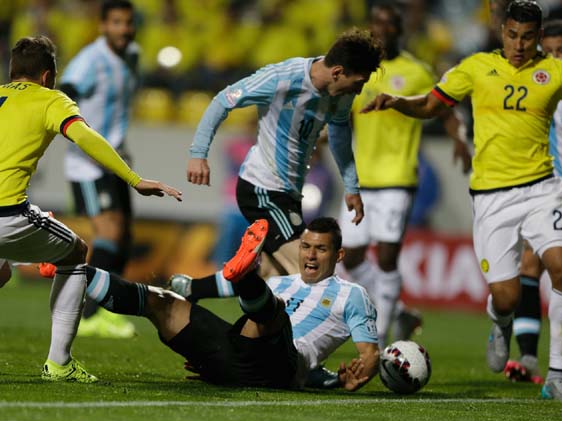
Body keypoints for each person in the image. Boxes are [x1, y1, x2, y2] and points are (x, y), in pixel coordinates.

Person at [362, 0, 562, 401]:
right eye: (511, 35)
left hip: (543, 188)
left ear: (538, 37)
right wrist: (398, 101)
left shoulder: (559, 72)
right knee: (506, 296)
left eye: (527, 37)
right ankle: (502, 322)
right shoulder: (474, 67)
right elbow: (431, 105)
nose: (518, 45)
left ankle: (557, 374)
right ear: (501, 31)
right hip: (492, 196)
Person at [0, 35, 182, 382]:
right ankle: (59, 363)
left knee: (2, 273)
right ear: (47, 76)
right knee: (76, 252)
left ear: (12, 72)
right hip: (7, 215)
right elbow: (86, 137)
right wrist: (133, 179)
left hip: (9, 215)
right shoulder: (52, 99)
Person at [82, 217, 380, 390]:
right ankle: (73, 271)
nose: (311, 255)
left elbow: (369, 354)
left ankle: (245, 274)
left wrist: (358, 376)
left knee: (274, 312)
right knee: (162, 302)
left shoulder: (352, 294)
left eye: (321, 249)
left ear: (338, 255)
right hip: (238, 360)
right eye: (305, 247)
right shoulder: (280, 282)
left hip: (281, 367)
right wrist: (214, 360)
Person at [186, 28, 384, 278]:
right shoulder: (283, 78)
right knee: (310, 270)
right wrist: (198, 154)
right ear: (337, 72)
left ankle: (188, 291)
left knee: (273, 280)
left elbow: (339, 133)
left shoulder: (340, 92)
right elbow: (223, 101)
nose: (357, 91)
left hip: (289, 193)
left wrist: (352, 186)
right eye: (358, 83)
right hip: (262, 188)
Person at [338, 1, 471, 348]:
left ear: (400, 29)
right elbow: (343, 114)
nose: (384, 30)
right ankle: (399, 312)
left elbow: (444, 108)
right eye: (378, 24)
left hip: (397, 177)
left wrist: (459, 139)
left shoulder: (417, 71)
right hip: (360, 178)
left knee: (385, 256)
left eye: (391, 25)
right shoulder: (359, 70)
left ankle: (378, 339)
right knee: (349, 258)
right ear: (371, 27)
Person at [504, 19, 562, 385]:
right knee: (529, 265)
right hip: (552, 195)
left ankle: (554, 361)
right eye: (551, 52)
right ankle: (528, 357)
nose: (556, 58)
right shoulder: (538, 84)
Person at [40, 0, 141, 338]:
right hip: (87, 164)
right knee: (109, 233)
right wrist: (79, 138)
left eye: (127, 23)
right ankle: (88, 314)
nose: (123, 29)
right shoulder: (89, 61)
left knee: (124, 237)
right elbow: (64, 96)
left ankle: (108, 311)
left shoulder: (133, 55)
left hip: (116, 160)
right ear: (102, 25)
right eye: (116, 22)